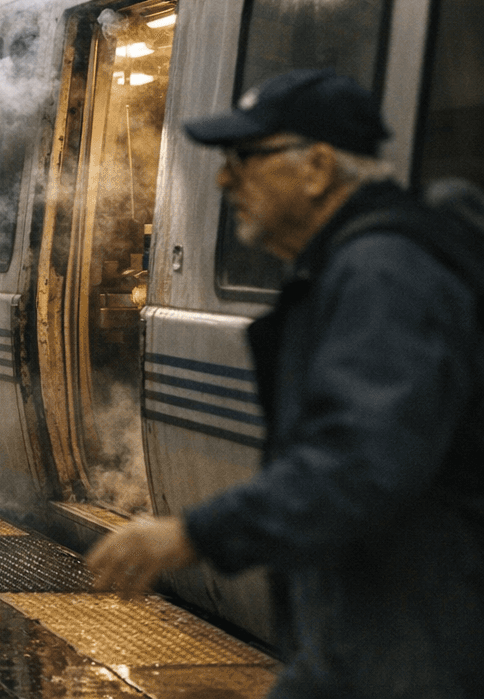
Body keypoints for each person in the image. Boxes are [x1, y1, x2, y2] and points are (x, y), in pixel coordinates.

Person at [86, 69, 483, 699]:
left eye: (243, 158)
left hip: (414, 639)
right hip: (371, 624)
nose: (224, 179)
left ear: (318, 166)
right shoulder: (354, 265)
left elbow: (362, 461)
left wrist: (193, 532)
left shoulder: (384, 273)